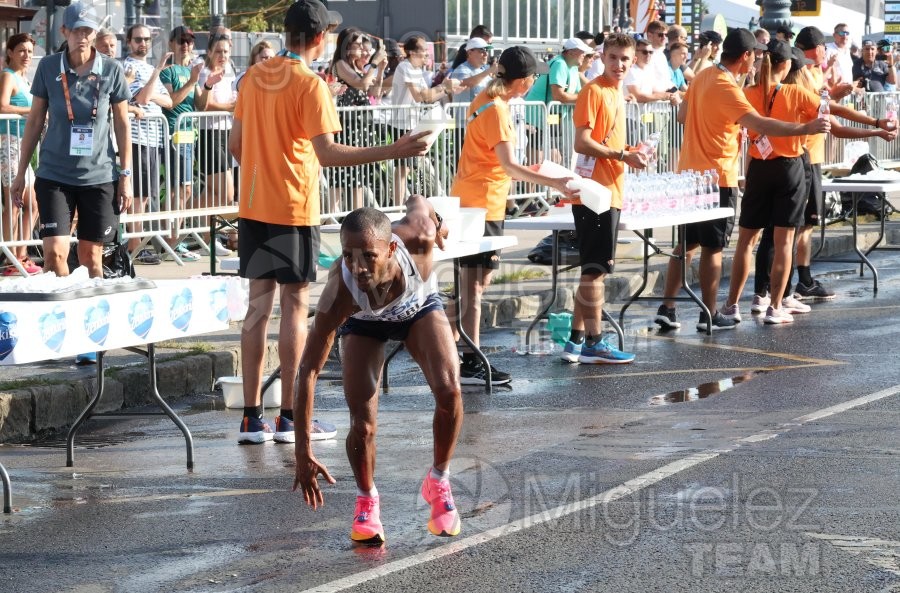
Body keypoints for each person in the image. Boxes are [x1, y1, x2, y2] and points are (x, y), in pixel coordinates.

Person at [228, 0, 429, 445]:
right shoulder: (311, 84)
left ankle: (250, 418)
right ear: (320, 39)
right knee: (295, 310)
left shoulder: (255, 76)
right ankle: (289, 418)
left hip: (254, 205)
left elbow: (236, 146)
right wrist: (392, 150)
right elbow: (328, 154)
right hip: (293, 208)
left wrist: (264, 168)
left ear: (286, 32)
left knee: (257, 310)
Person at [292, 201, 461, 543]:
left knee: (450, 392)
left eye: (369, 255)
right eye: (348, 255)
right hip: (363, 322)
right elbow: (308, 370)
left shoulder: (419, 238)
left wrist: (438, 221)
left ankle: (438, 481)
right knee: (363, 424)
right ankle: (367, 499)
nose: (358, 267)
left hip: (417, 309)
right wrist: (302, 451)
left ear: (392, 249)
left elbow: (418, 202)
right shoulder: (339, 291)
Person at [653, 29, 829, 332]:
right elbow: (759, 124)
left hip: (689, 172)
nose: (759, 61)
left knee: (686, 245)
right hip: (717, 174)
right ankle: (709, 314)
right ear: (745, 56)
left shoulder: (705, 75)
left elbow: (683, 115)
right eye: (756, 55)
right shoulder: (727, 86)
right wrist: (806, 127)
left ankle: (668, 308)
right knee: (713, 247)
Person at [447, 46, 575, 384]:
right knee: (474, 287)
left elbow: (499, 163)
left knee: (474, 284)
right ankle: (469, 359)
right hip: (480, 203)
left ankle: (454, 348)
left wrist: (540, 172)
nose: (534, 82)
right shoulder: (497, 109)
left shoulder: (488, 101)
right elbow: (508, 166)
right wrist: (554, 181)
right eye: (534, 77)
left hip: (477, 199)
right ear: (524, 80)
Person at [747, 47, 896, 315]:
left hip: (763, 166)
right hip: (796, 165)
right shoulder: (798, 94)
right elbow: (837, 123)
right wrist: (876, 126)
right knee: (788, 235)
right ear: (795, 68)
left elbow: (836, 111)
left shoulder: (757, 91)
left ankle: (759, 295)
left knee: (767, 235)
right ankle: (782, 297)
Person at [11, 1, 132, 281]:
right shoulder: (49, 67)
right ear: (65, 31)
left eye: (88, 30)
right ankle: (62, 315)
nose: (83, 37)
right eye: (77, 30)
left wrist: (125, 175)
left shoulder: (111, 70)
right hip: (54, 174)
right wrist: (20, 173)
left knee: (91, 257)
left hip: (99, 176)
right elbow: (34, 121)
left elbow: (123, 125)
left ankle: (95, 318)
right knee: (54, 255)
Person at [562, 32, 647, 364]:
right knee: (595, 270)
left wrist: (631, 154)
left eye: (626, 58)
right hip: (595, 192)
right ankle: (594, 342)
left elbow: (607, 143)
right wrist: (623, 155)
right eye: (614, 58)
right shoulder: (593, 90)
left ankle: (575, 340)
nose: (620, 64)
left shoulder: (616, 92)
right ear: (602, 57)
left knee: (592, 269)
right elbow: (581, 143)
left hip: (608, 189)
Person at [123, 24, 173, 266]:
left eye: (146, 39)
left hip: (153, 138)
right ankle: (135, 246)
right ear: (129, 42)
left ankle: (137, 244)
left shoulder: (150, 68)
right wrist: (157, 74)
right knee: (138, 197)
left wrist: (151, 89)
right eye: (138, 39)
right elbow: (140, 98)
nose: (143, 43)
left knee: (144, 197)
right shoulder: (127, 66)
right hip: (137, 137)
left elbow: (169, 101)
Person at [159, 25, 208, 262]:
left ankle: (174, 241)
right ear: (171, 44)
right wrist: (192, 82)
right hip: (175, 135)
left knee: (185, 189)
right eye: (181, 41)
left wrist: (206, 85)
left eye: (189, 41)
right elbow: (169, 101)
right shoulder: (168, 71)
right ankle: (171, 243)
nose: (186, 45)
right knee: (181, 189)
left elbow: (200, 105)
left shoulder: (191, 70)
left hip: (190, 135)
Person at [389, 35, 458, 203]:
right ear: (412, 53)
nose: (426, 55)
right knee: (403, 169)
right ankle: (398, 207)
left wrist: (447, 90)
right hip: (401, 122)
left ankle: (401, 204)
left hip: (412, 121)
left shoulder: (417, 70)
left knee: (408, 168)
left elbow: (428, 96)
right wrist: (444, 87)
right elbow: (420, 97)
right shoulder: (405, 67)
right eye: (423, 52)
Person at [328, 27, 386, 211]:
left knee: (358, 178)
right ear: (347, 46)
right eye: (358, 44)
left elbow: (374, 92)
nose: (362, 48)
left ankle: (358, 218)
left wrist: (381, 69)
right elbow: (361, 83)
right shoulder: (340, 64)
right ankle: (332, 216)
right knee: (340, 178)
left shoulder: (356, 67)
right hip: (346, 129)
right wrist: (374, 64)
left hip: (360, 129)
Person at [0, 33, 39, 276]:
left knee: (33, 204)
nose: (27, 56)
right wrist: (32, 111)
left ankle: (21, 255)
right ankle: (10, 259)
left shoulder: (26, 79)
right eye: (22, 51)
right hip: (8, 144)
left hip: (23, 147)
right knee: (14, 203)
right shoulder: (8, 75)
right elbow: (2, 106)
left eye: (30, 51)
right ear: (11, 53)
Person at [524, 37, 591, 166]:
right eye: (582, 52)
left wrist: (592, 95)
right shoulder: (560, 64)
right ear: (571, 52)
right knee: (536, 162)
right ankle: (527, 184)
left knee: (555, 158)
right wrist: (587, 98)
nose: (585, 55)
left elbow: (579, 94)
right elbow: (559, 96)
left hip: (553, 117)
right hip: (536, 117)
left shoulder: (573, 68)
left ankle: (544, 185)